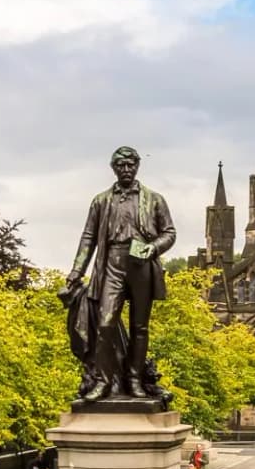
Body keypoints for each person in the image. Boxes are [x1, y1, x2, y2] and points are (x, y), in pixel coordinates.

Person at [61, 146, 178, 402]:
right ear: (114, 168)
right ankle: (104, 382)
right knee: (105, 324)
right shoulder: (101, 200)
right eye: (121, 165)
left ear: (137, 167)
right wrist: (75, 272)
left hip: (142, 264)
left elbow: (169, 233)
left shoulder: (154, 199)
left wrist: (152, 247)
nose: (126, 169)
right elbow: (88, 238)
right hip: (111, 262)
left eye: (130, 165)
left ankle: (135, 380)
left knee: (140, 327)